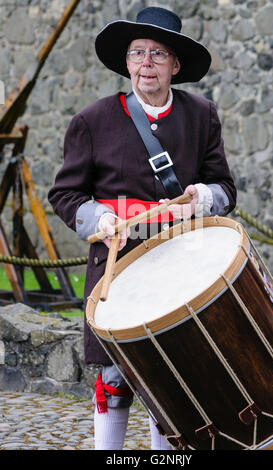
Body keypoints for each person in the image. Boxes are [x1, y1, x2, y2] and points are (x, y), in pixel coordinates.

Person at [48, 6, 237, 450]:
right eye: (137, 53)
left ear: (175, 65)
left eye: (157, 54)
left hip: (178, 262)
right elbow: (65, 195)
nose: (145, 63)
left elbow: (226, 188)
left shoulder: (202, 114)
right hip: (117, 265)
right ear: (126, 62)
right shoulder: (91, 121)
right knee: (115, 381)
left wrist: (204, 197)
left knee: (171, 380)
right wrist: (102, 219)